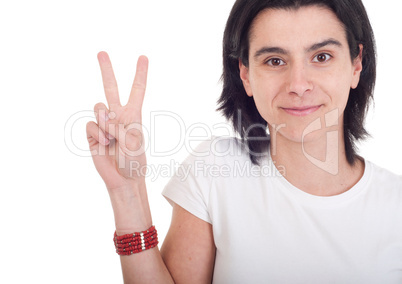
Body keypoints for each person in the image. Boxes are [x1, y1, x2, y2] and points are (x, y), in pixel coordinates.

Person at [86, 0, 402, 283]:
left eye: (321, 56)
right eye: (275, 61)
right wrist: (127, 192)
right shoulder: (216, 170)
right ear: (246, 74)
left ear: (356, 64)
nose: (298, 84)